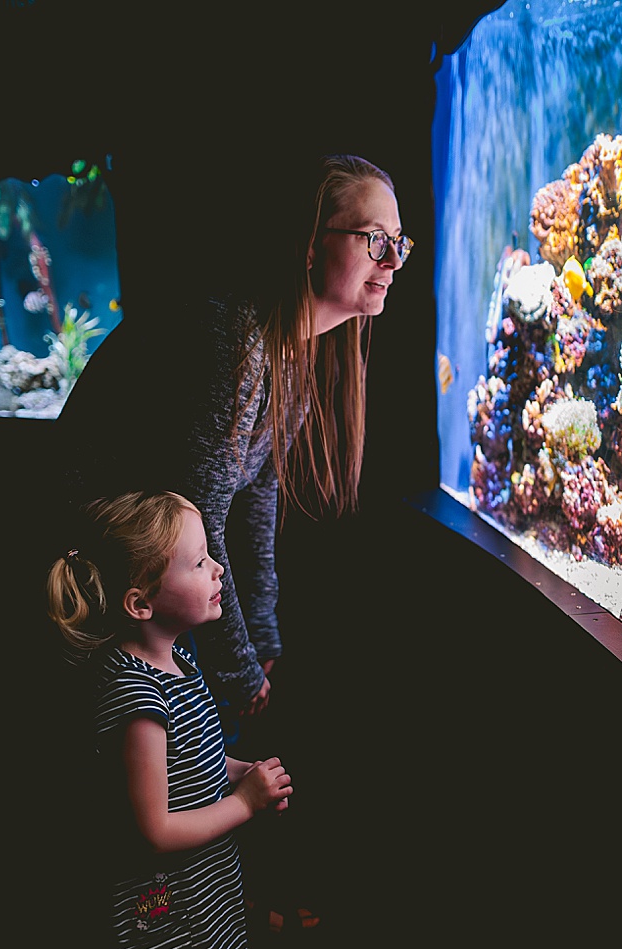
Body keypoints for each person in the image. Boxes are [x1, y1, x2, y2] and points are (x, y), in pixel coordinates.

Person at [56, 153, 412, 720]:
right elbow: (201, 516)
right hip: (103, 594)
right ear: (312, 243)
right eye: (374, 239)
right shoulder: (236, 338)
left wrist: (263, 636)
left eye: (399, 241)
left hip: (164, 585)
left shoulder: (295, 347)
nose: (393, 260)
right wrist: (239, 667)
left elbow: (259, 492)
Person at [45, 490, 294, 949]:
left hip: (206, 894)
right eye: (199, 563)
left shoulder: (177, 660)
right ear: (141, 604)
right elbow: (154, 830)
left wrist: (240, 772)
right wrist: (244, 803)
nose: (218, 568)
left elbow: (186, 761)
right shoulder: (138, 699)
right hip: (171, 923)